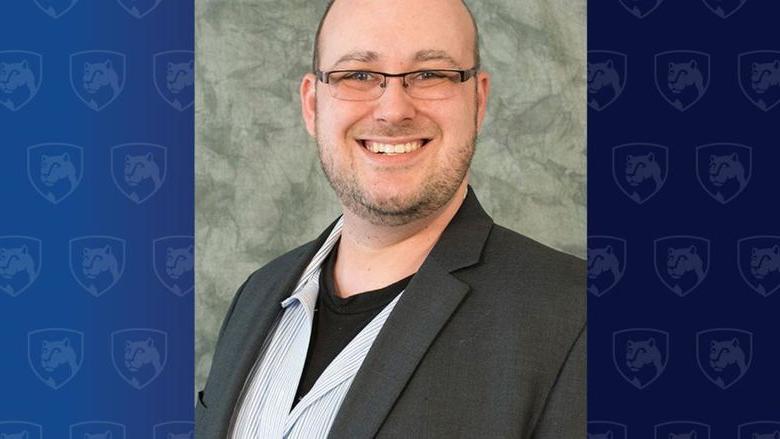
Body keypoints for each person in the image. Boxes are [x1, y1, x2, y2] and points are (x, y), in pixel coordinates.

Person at [196, 0, 585, 437]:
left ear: (477, 100)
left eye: (431, 74)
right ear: (312, 104)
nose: (394, 110)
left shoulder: (575, 318)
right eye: (358, 75)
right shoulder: (257, 293)